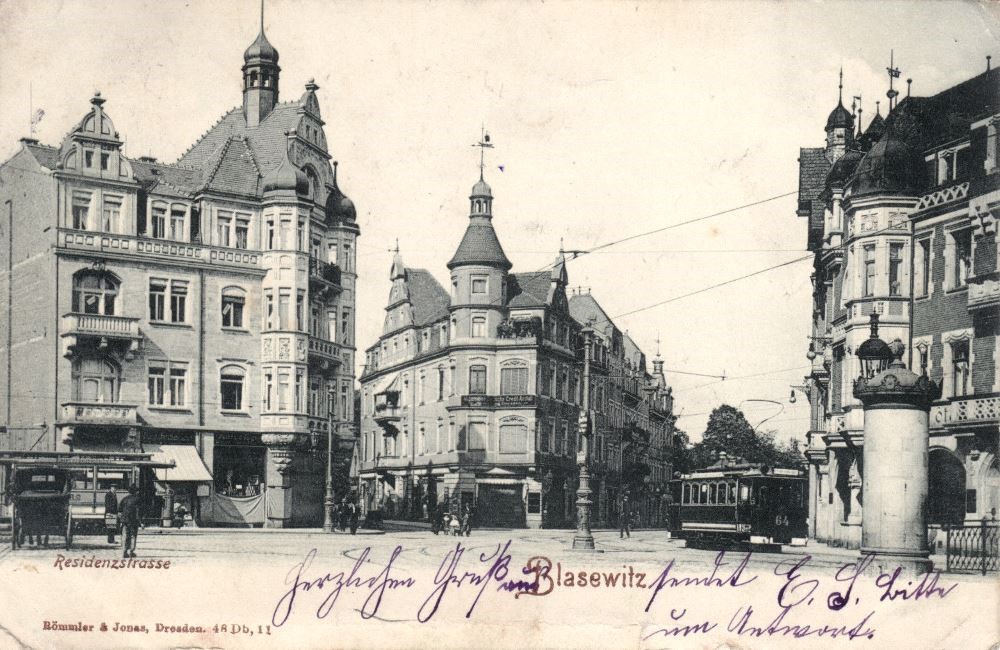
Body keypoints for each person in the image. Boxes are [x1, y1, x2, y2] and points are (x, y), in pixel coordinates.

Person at [119, 484, 142, 558]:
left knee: (125, 535)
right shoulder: (138, 499)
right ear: (135, 492)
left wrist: (121, 520)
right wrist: (141, 522)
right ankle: (131, 551)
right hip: (133, 521)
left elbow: (120, 510)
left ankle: (124, 551)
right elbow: (139, 512)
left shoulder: (124, 499)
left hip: (125, 521)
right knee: (133, 535)